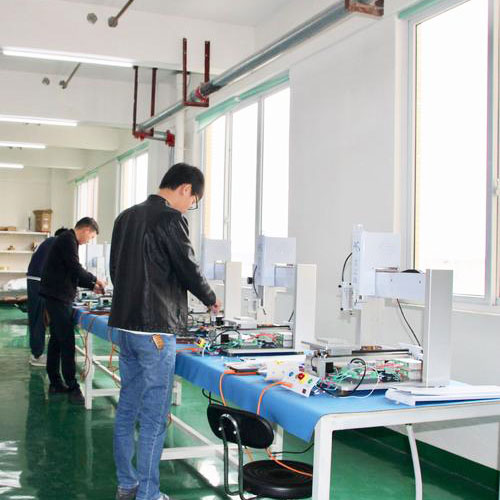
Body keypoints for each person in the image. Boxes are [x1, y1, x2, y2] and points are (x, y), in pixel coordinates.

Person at [109, 163, 221, 500]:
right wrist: (211, 298)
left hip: (124, 326)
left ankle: (127, 484)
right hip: (155, 330)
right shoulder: (171, 218)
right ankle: (148, 494)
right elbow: (187, 266)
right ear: (185, 189)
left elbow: (115, 269)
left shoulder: (125, 217)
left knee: (127, 407)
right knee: (154, 417)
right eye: (193, 201)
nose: (189, 207)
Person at [40, 217, 105, 404]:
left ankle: (55, 382)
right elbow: (75, 268)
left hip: (57, 296)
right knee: (67, 341)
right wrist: (95, 280)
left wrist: (92, 286)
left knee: (56, 340)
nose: (89, 241)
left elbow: (71, 272)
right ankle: (72, 386)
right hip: (58, 297)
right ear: (86, 230)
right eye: (91, 237)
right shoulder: (68, 240)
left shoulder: (68, 240)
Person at [26, 227, 68, 367]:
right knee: (39, 319)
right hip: (40, 282)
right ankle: (37, 356)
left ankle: (36, 352)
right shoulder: (58, 243)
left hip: (35, 280)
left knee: (37, 318)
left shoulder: (48, 242)